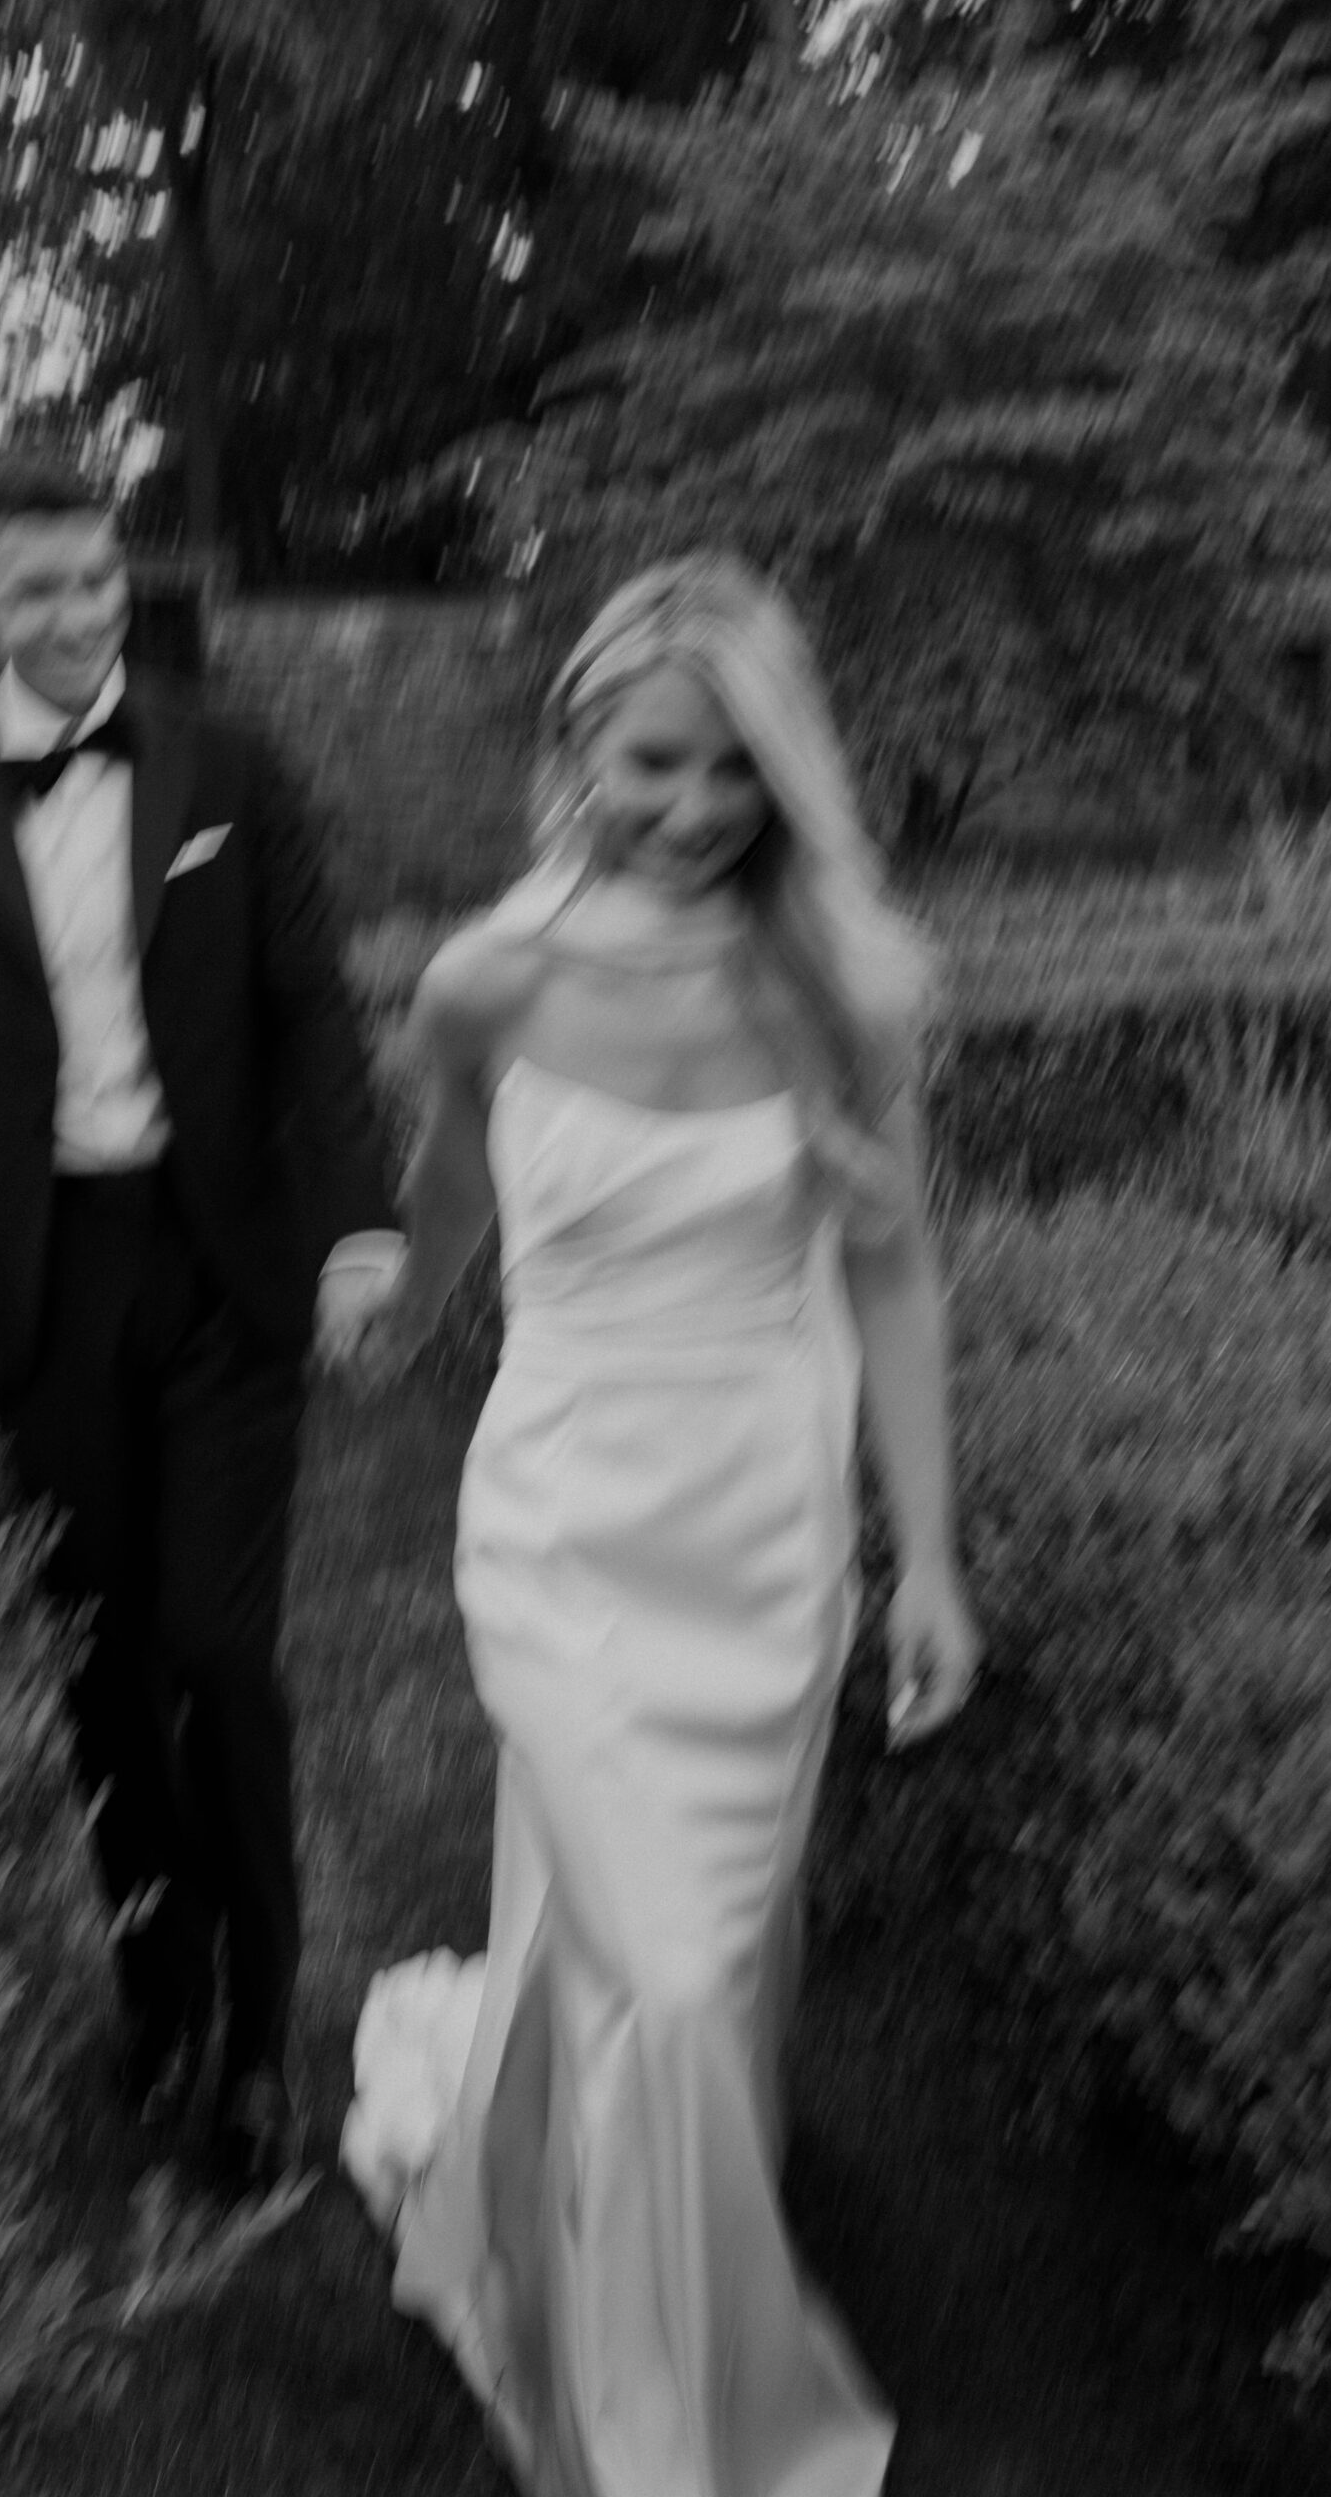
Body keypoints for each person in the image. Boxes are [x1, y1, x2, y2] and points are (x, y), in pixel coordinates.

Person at [334, 552, 981, 2494]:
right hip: (559, 1520)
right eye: (650, 762)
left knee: (693, 1952)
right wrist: (380, 1311)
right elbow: (447, 1209)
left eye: (731, 776)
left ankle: (589, 2203)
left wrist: (924, 1554)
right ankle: (679, 2420)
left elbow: (889, 1276)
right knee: (673, 1967)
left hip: (760, 1530)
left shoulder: (838, 986)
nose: (690, 810)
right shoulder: (487, 976)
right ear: (573, 750)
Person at [0, 450, 400, 2197]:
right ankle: (157, 1987)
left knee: (220, 1657)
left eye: (97, 582)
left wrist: (363, 1226)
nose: (75, 616)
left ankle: (258, 2041)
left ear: (121, 584)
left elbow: (314, 1017)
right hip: (42, 1287)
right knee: (99, 1674)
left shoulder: (232, 767)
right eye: (37, 591)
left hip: (225, 1269)